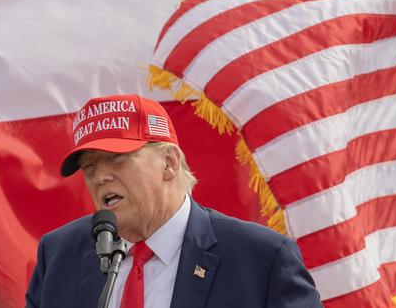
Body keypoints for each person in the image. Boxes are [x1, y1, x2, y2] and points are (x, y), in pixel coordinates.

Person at [26, 94, 322, 307]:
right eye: (89, 167)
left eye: (115, 159)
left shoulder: (260, 258)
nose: (100, 177)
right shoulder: (59, 255)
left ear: (168, 163)